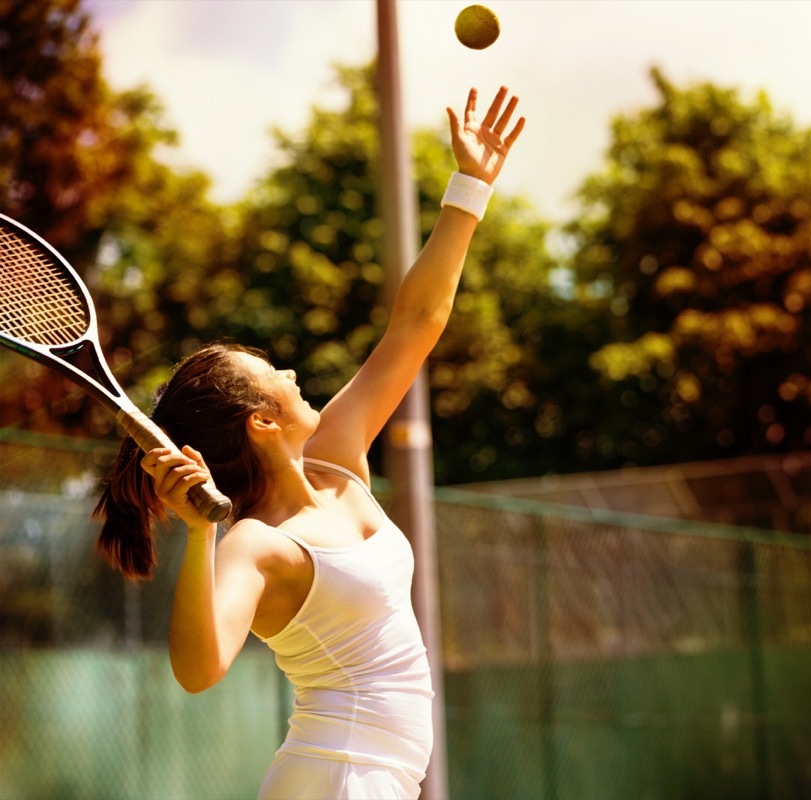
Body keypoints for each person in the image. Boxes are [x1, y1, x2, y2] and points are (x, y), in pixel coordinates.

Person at [93, 86, 525, 800]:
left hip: (370, 779)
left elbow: (416, 321)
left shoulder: (338, 462)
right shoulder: (256, 545)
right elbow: (199, 671)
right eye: (276, 375)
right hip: (338, 780)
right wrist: (201, 537)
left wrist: (470, 183)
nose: (293, 373)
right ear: (262, 421)